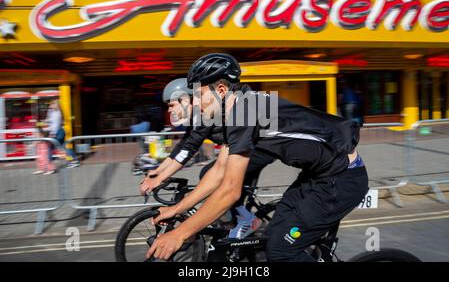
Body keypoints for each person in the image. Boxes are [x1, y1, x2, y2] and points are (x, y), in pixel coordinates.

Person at [146, 53, 368, 262]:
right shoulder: (240, 108)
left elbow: (230, 191)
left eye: (199, 94)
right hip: (316, 175)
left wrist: (180, 234)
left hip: (341, 179)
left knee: (281, 251)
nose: (196, 103)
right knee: (271, 238)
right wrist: (177, 210)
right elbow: (218, 172)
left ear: (221, 90)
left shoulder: (245, 113)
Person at [139, 78, 276, 240]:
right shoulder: (197, 118)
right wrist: (157, 172)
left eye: (171, 105)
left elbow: (187, 150)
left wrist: (160, 177)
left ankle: (247, 220)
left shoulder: (204, 115)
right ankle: (234, 220)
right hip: (245, 146)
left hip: (259, 148)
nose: (169, 111)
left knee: (213, 176)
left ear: (186, 100)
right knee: (212, 177)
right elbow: (182, 148)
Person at [44, 100, 80, 168]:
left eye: (52, 104)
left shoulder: (57, 113)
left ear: (56, 105)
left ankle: (49, 164)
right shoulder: (53, 112)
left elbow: (56, 125)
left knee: (52, 148)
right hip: (59, 132)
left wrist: (53, 133)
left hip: (57, 133)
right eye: (50, 104)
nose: (50, 106)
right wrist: (49, 112)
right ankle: (74, 160)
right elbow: (48, 121)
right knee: (62, 147)